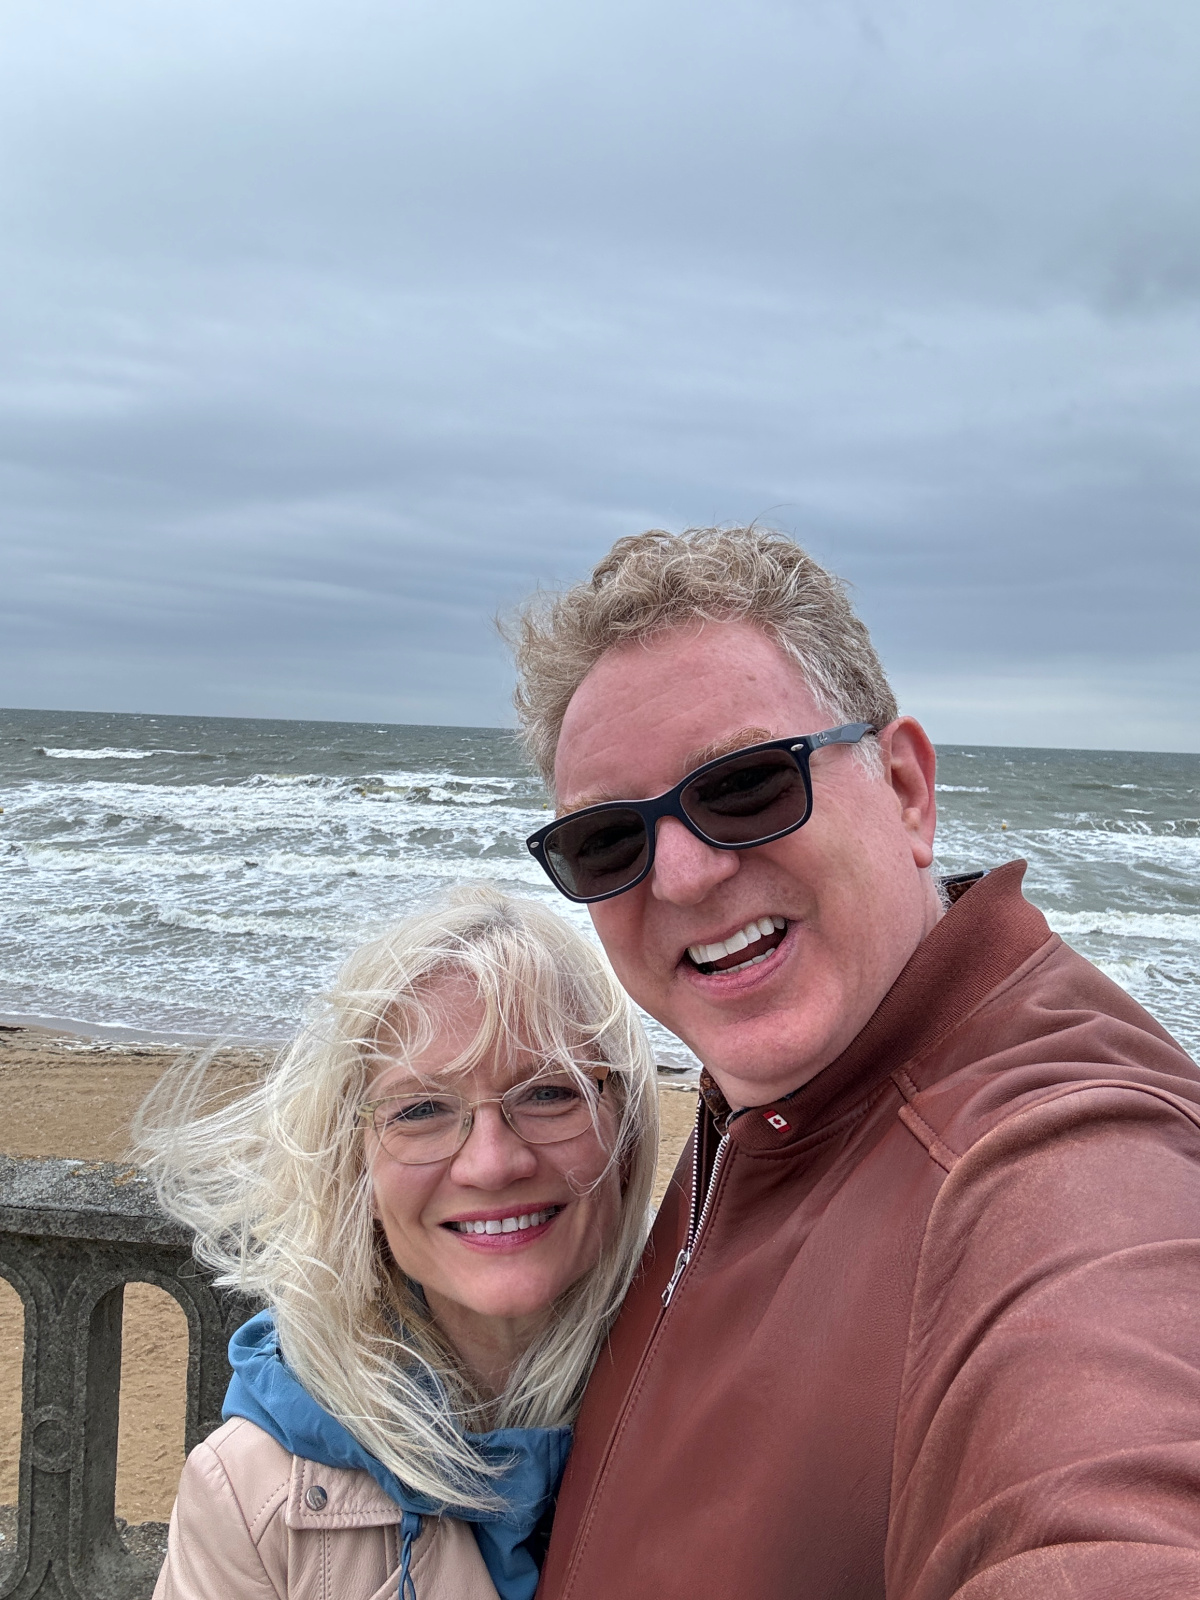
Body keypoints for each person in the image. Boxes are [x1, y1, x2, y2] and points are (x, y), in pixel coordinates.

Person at [508, 526, 1200, 1599]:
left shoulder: (1059, 1155)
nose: (682, 876)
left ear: (907, 789)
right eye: (608, 843)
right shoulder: (771, 1110)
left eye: (744, 786)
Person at [136, 886, 659, 1600]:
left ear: (625, 1133)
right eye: (420, 1110)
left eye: (548, 1092)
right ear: (356, 1168)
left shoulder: (729, 1411)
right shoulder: (251, 1499)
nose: (492, 1162)